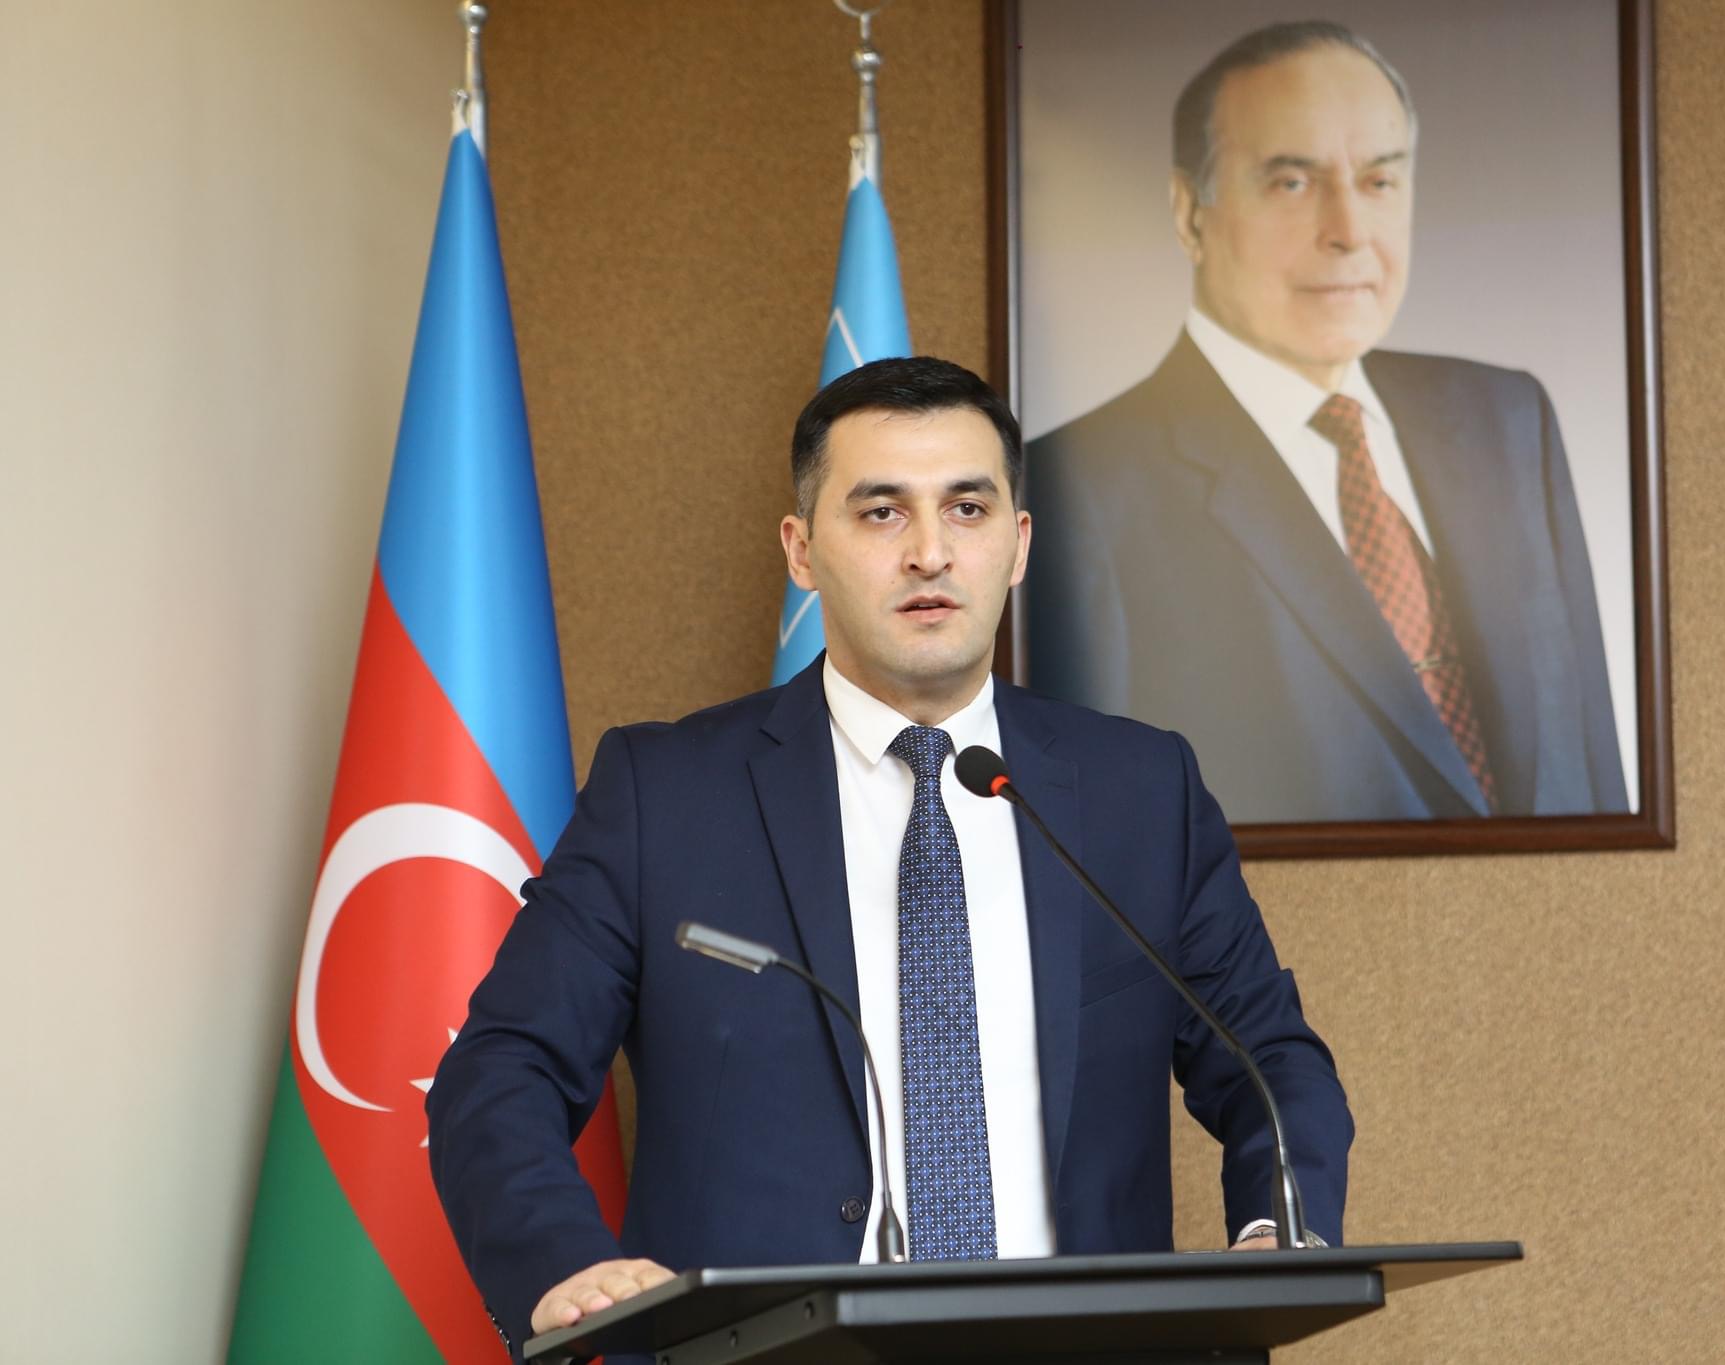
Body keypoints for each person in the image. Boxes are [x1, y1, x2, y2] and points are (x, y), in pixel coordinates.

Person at [426, 357, 1353, 1354]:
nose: (929, 553)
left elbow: (1268, 1059)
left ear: (1017, 544)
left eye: (967, 509)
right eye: (880, 512)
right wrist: (564, 1263)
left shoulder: (1141, 790)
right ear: (801, 551)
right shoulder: (665, 794)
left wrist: (1279, 1232)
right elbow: (503, 1066)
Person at [1026, 20, 1628, 824]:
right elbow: (1100, 841)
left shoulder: (1508, 420)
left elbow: (1594, 768)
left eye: (1379, 181)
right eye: (1292, 183)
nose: (1348, 230)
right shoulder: (1077, 492)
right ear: (1189, 212)